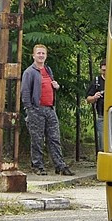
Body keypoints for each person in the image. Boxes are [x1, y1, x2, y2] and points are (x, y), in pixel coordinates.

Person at [21, 44, 74, 176]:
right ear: (33, 55)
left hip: (50, 109)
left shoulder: (48, 70)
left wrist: (56, 86)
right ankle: (37, 165)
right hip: (36, 109)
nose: (41, 55)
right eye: (38, 53)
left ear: (46, 56)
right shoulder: (29, 72)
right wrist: (30, 108)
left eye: (43, 53)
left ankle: (60, 165)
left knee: (54, 138)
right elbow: (25, 92)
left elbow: (49, 85)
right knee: (37, 139)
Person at [85, 59, 106, 151]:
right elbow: (88, 99)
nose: (105, 72)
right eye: (103, 70)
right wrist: (94, 97)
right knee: (102, 140)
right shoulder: (97, 81)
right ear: (100, 69)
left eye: (107, 70)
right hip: (102, 115)